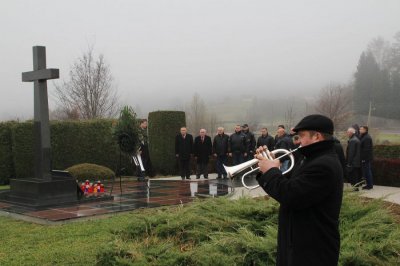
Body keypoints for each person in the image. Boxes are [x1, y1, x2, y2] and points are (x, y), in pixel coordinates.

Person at [256, 114, 343, 266]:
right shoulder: (310, 159)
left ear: (316, 136)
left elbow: (290, 195)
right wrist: (267, 166)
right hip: (299, 243)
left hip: (313, 250)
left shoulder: (324, 165)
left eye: (301, 136)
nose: (298, 141)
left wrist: (271, 171)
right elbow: (285, 186)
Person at [359, 125, 374, 190]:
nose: (360, 130)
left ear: (365, 130)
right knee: (366, 171)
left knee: (367, 171)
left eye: (361, 129)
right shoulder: (363, 136)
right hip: (365, 158)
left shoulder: (367, 138)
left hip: (366, 158)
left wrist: (363, 159)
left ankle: (369, 185)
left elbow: (366, 150)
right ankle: (368, 184)